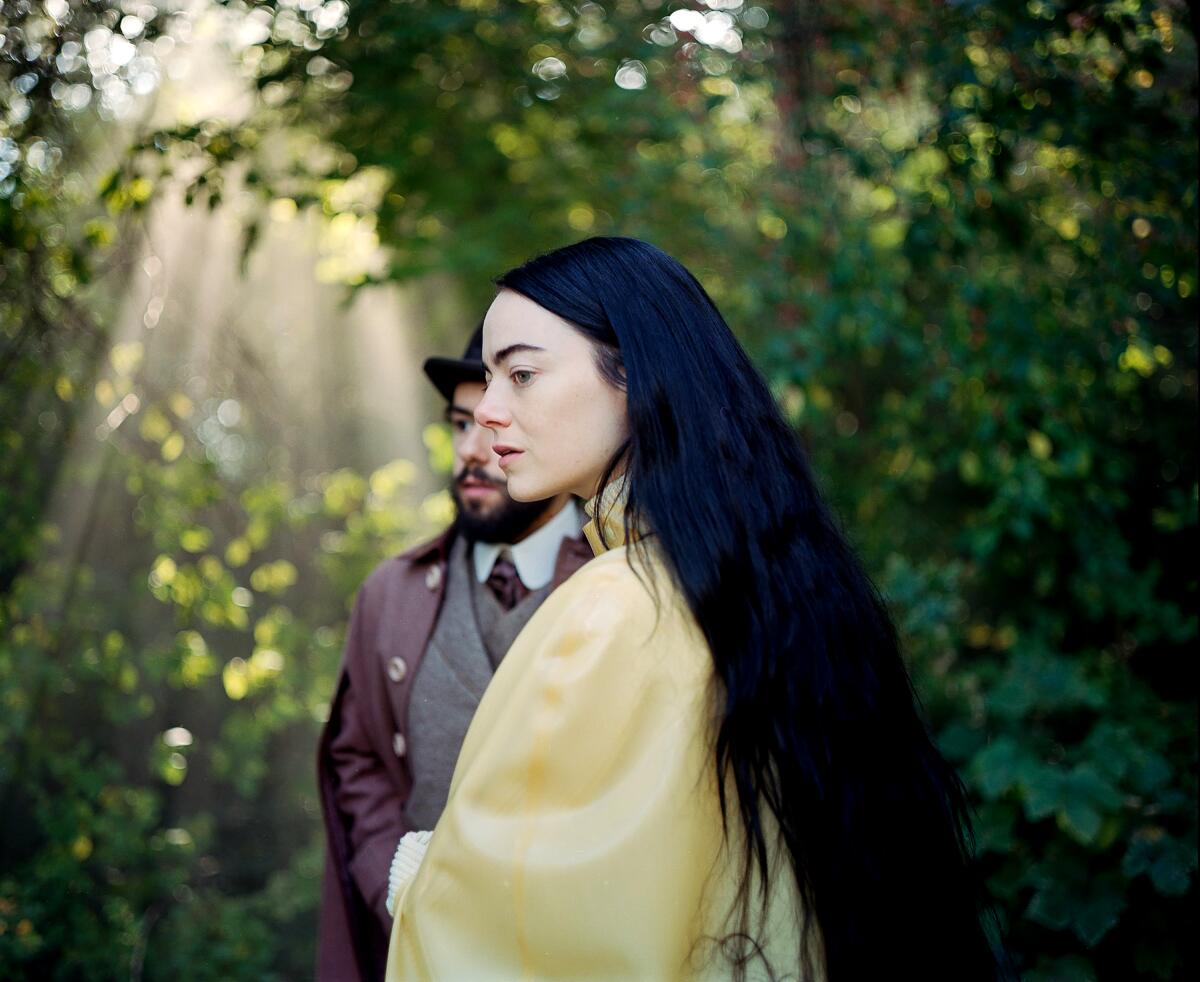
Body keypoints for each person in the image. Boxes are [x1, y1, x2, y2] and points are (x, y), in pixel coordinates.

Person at [384, 238, 1001, 980]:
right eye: (488, 380)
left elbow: (537, 926)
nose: (486, 413)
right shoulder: (754, 579)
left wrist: (419, 876)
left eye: (521, 374)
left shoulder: (617, 605)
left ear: (635, 377)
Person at [316, 324, 593, 982]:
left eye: (494, 426)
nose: (473, 451)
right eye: (459, 424)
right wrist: (395, 885)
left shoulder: (628, 582)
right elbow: (356, 758)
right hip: (423, 954)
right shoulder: (391, 593)